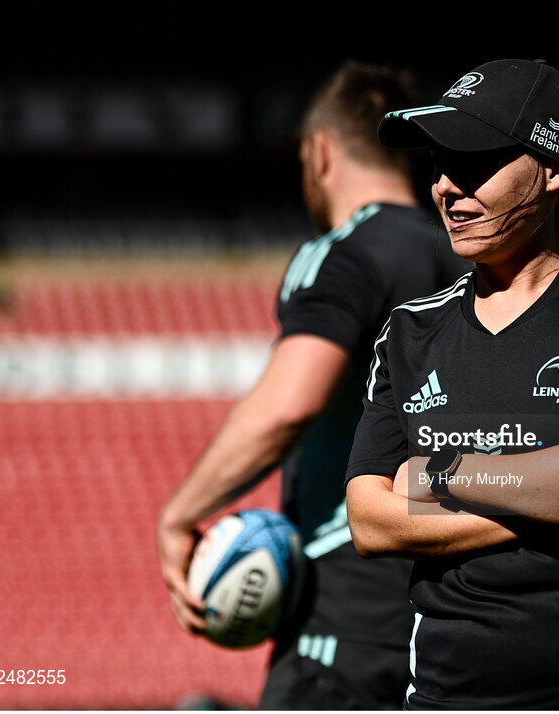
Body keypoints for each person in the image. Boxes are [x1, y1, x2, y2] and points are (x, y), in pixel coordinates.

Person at [345, 59, 559, 709]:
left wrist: (442, 473)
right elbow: (371, 522)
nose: (448, 187)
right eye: (439, 165)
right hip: (449, 695)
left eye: (475, 161)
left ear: (553, 168)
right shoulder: (407, 332)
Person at [156, 61, 468, 710]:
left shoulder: (345, 253)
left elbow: (288, 403)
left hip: (347, 628)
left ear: (319, 152)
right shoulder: (481, 259)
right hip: (467, 631)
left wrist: (181, 514)